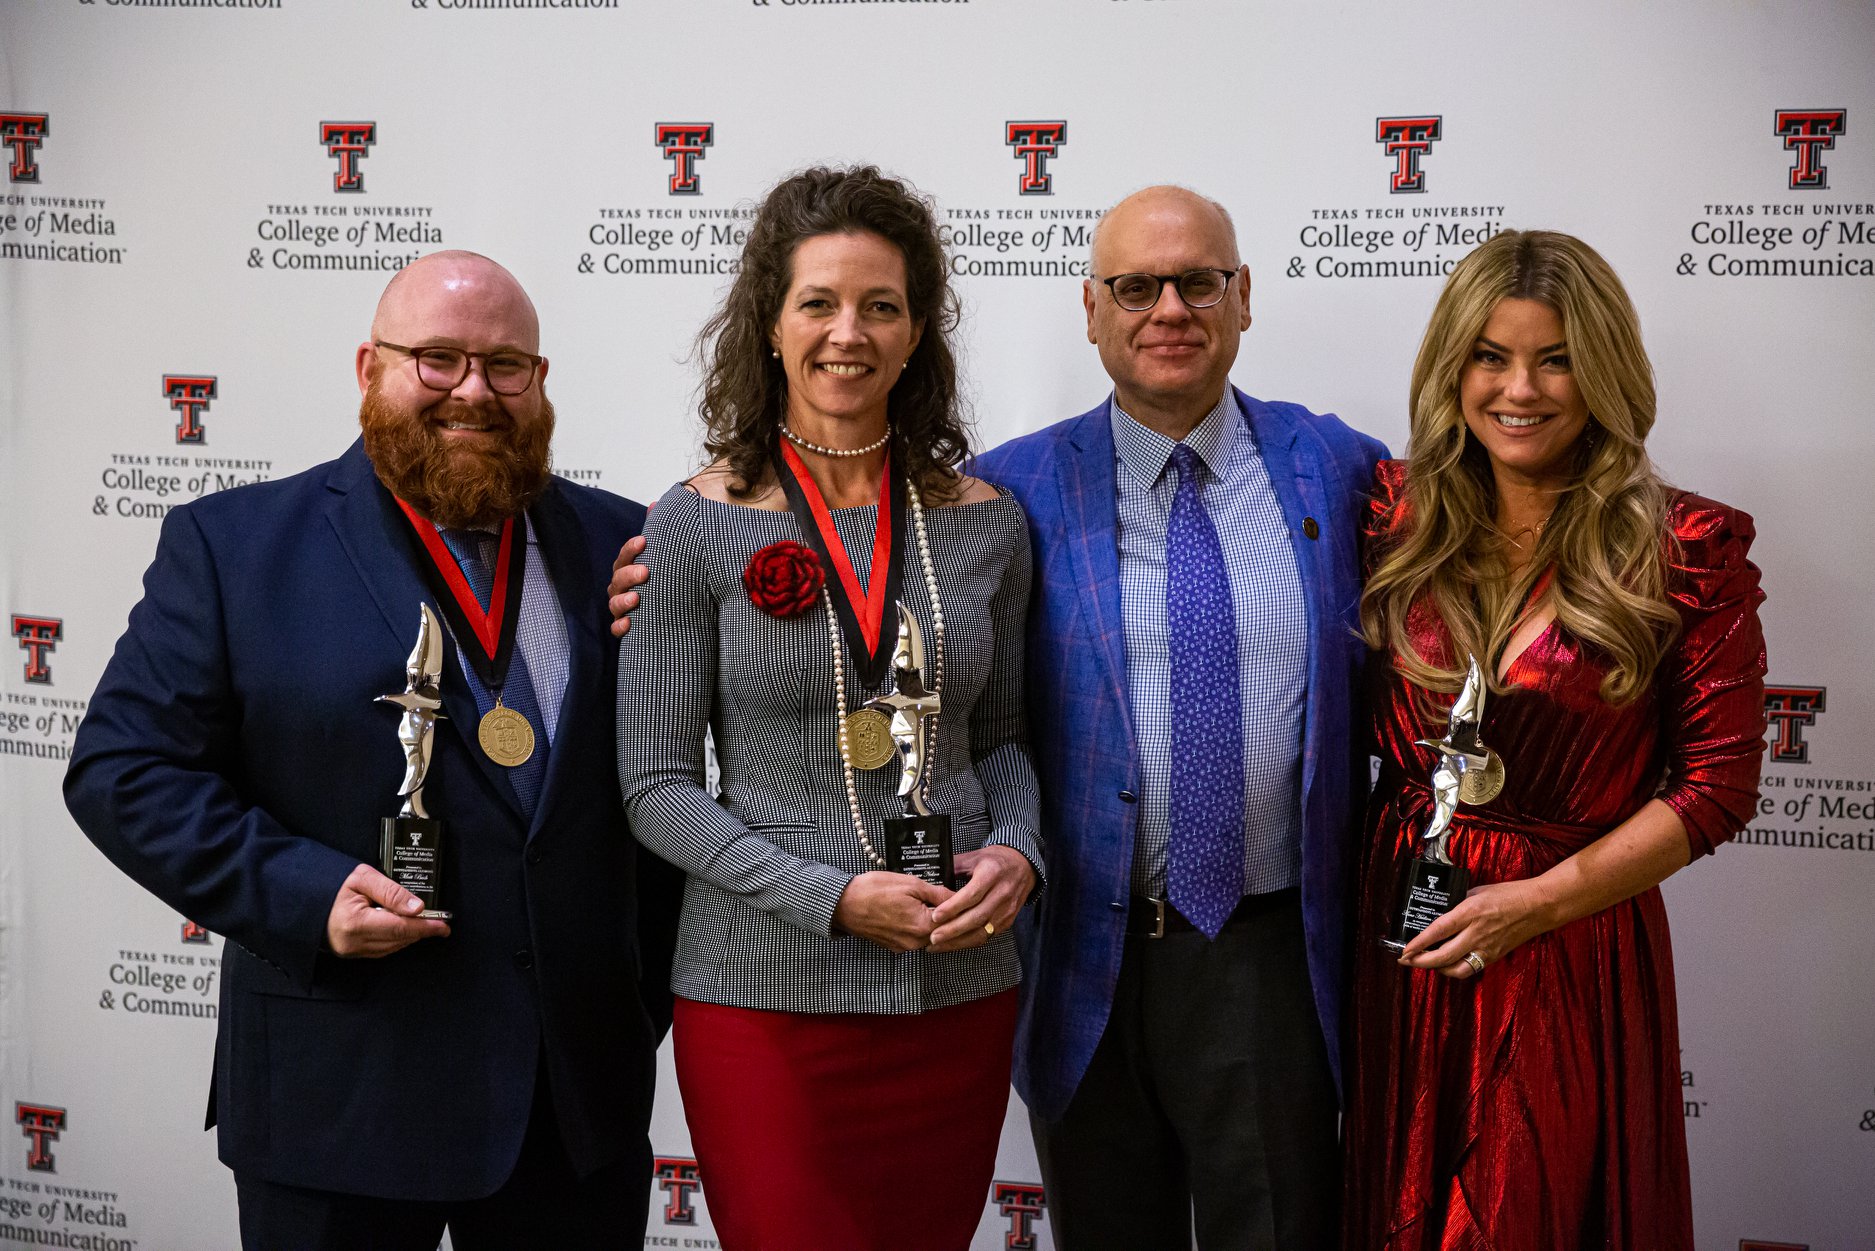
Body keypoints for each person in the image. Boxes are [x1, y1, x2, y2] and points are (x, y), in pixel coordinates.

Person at [64, 251, 681, 1251]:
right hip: (337, 1099)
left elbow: (663, 795)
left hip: (570, 1110)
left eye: (506, 365)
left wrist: (627, 1007)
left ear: (540, 381)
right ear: (368, 368)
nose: (474, 390)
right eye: (437, 358)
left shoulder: (628, 546)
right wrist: (305, 895)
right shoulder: (234, 548)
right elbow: (121, 771)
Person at [615, 166, 1043, 1251]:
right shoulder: (693, 526)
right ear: (770, 323)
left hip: (959, 984)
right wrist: (832, 898)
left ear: (916, 336)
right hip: (762, 993)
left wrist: (1022, 853)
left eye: (881, 306)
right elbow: (655, 789)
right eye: (818, 302)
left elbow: (1005, 744)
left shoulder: (989, 523)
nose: (847, 333)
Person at [972, 186, 1387, 1249]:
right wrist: (690, 539)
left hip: (1271, 958)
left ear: (1242, 296)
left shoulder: (1343, 471)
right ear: (1091, 307)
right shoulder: (1005, 490)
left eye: (1199, 281)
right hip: (1081, 963)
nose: (1170, 308)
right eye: (1136, 285)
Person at [1342, 230, 1767, 1249]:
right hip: (1405, 921)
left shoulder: (1687, 546)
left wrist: (1530, 909)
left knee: (1528, 1208)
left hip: (1565, 941)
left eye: (1557, 357)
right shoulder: (1391, 516)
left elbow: (1716, 789)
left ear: (1605, 368)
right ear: (1454, 366)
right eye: (1490, 355)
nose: (1519, 387)